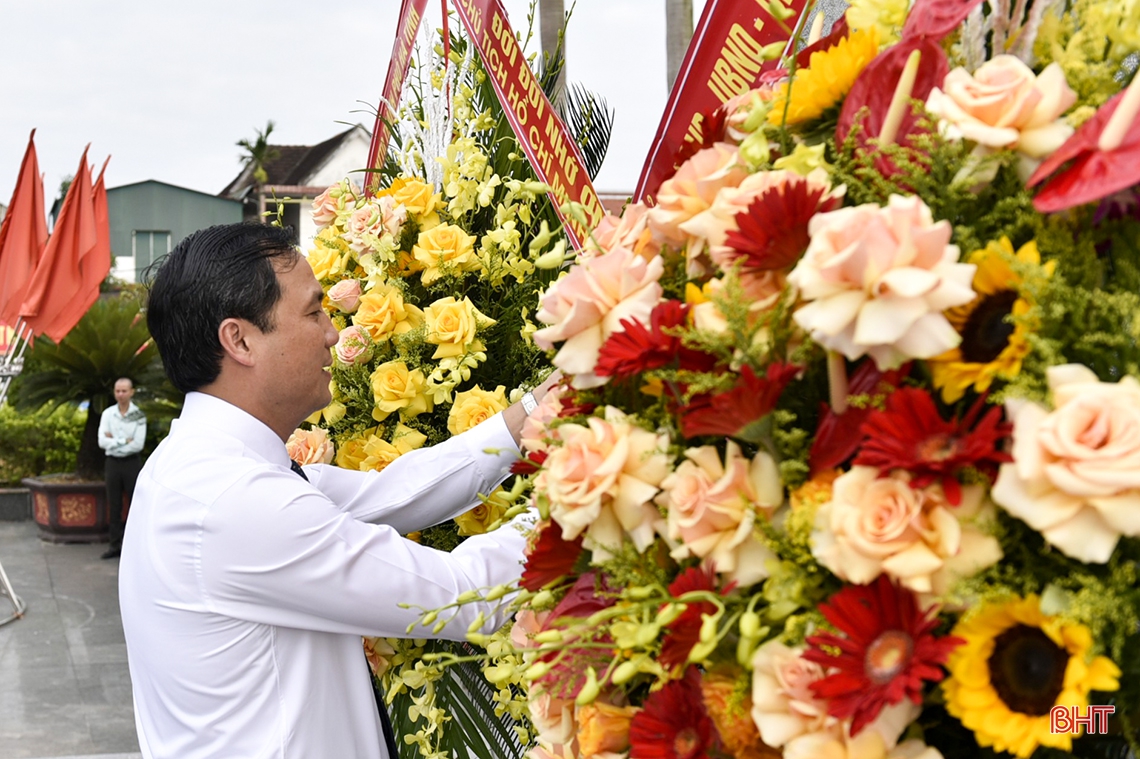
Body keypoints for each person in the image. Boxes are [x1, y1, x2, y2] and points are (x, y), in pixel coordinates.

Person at [120, 222, 556, 759]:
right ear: (239, 340)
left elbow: (393, 494)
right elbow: (464, 598)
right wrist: (585, 486)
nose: (333, 332)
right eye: (313, 312)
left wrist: (530, 419)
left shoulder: (207, 464)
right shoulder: (235, 501)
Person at [98, 377, 146, 560]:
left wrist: (113, 442)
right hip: (112, 464)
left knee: (136, 504)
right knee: (114, 504)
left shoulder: (139, 415)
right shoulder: (108, 414)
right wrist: (124, 441)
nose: (120, 394)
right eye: (117, 391)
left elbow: (138, 445)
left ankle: (135, 547)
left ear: (132, 392)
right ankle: (114, 545)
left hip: (132, 463)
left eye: (124, 391)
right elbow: (102, 442)